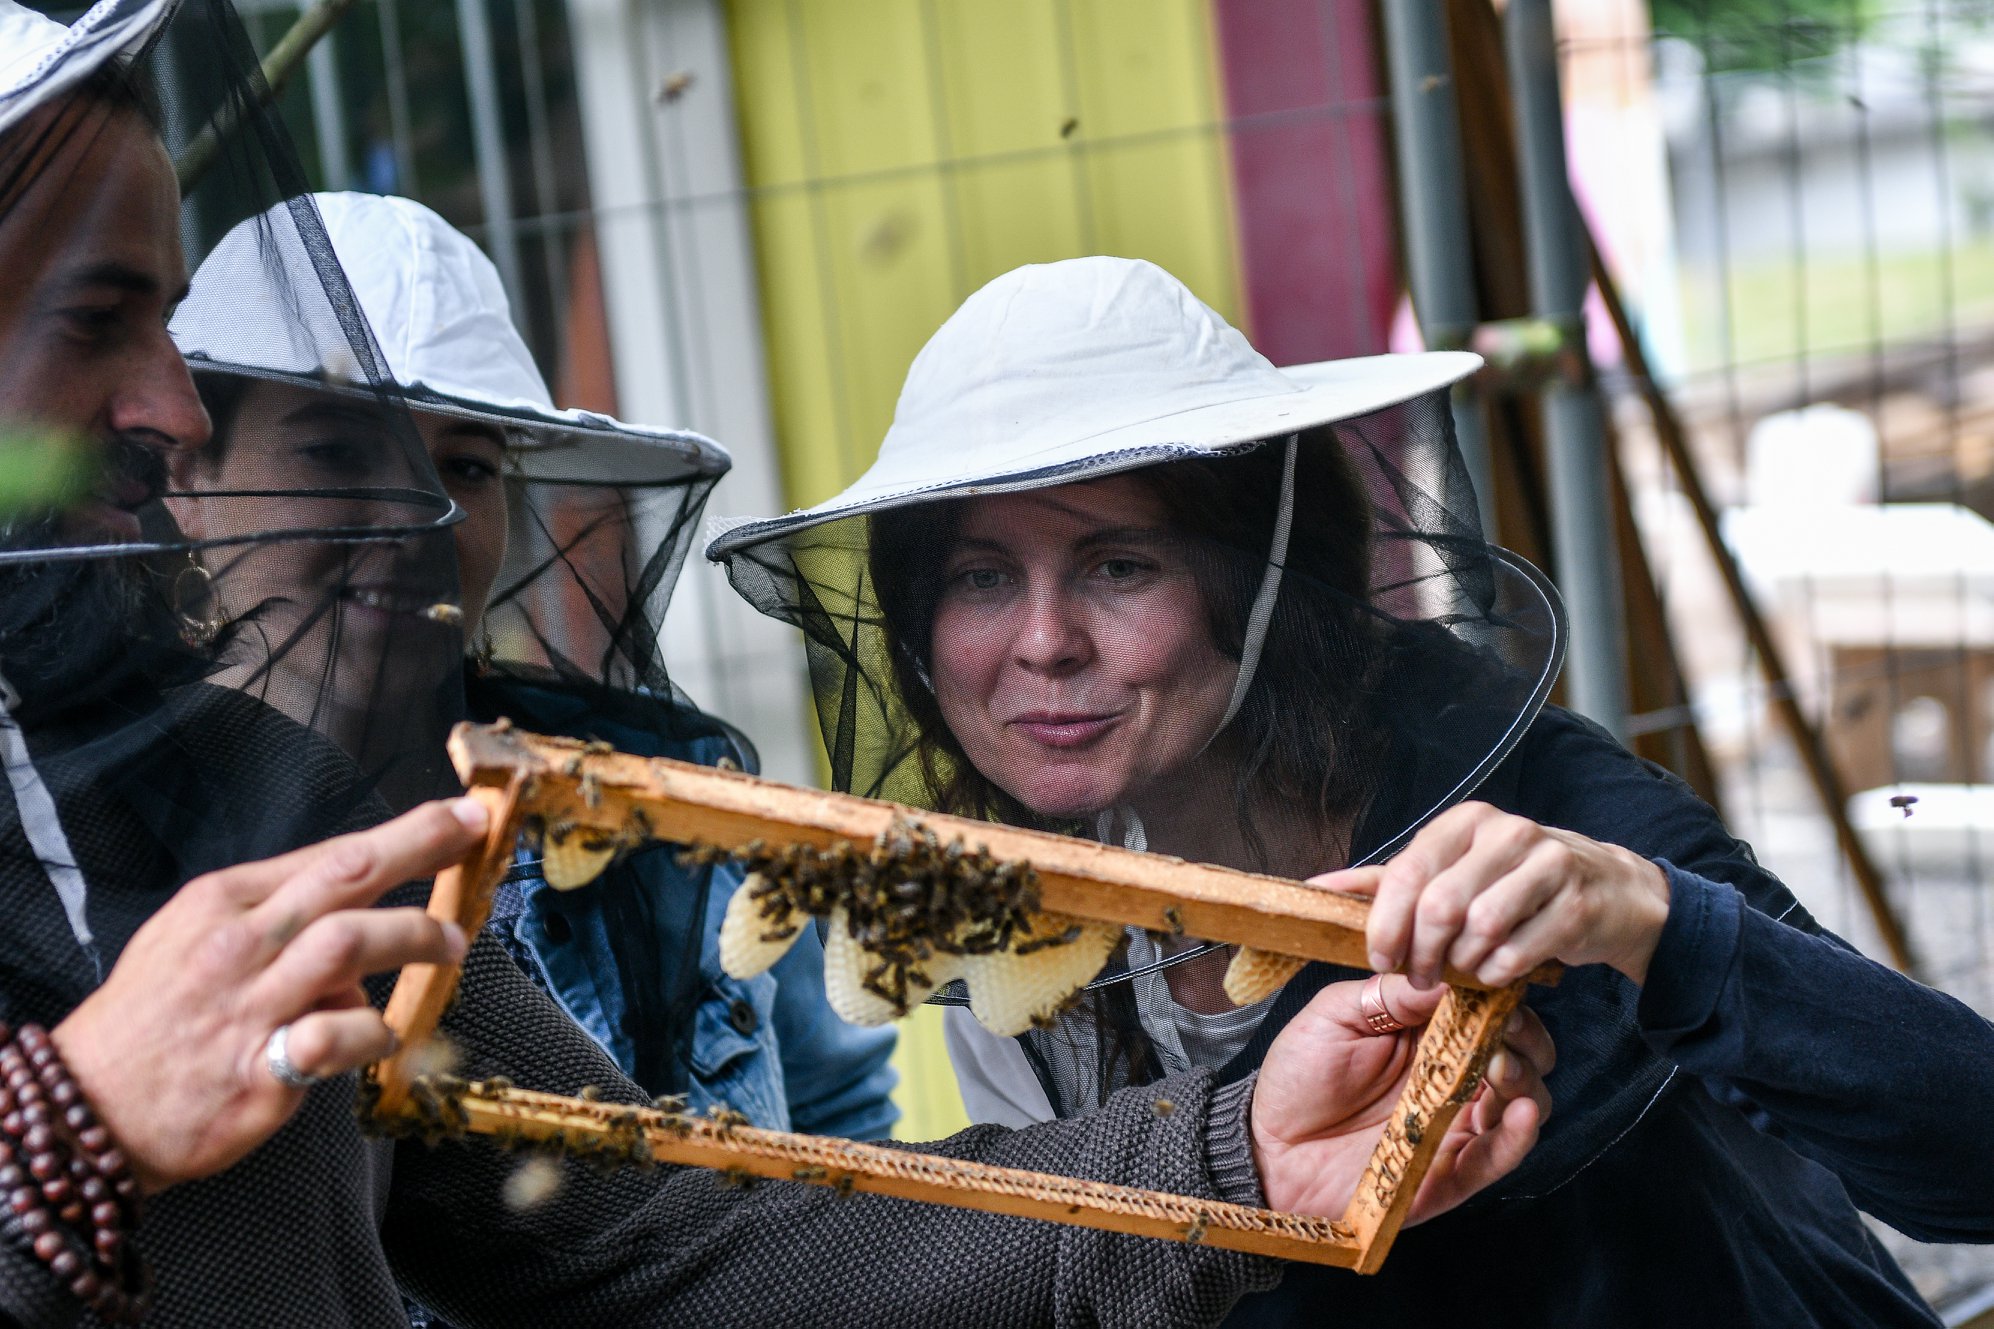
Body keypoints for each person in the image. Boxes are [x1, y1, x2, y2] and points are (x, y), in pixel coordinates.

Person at [0, 6, 1551, 1325]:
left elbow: (673, 1234)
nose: (172, 410)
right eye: (95, 323)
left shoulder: (275, 799)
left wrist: (1224, 1162)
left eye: (1122, 562)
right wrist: (66, 1132)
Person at [707, 255, 1994, 1327]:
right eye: (980, 579)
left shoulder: (1529, 801)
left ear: (1264, 572)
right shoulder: (1020, 912)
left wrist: (1654, 919)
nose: (1040, 643)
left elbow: (1968, 1149)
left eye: (1115, 565)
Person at [171, 189, 900, 1139]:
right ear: (187, 474)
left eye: (467, 467)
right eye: (339, 450)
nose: (416, 518)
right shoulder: (101, 846)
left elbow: (835, 1120)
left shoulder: (662, 813)